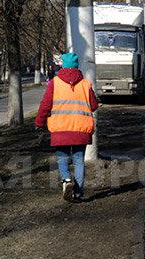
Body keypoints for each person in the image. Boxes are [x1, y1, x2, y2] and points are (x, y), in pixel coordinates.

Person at [35, 51, 98, 203]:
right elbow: (94, 105)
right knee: (78, 160)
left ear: (63, 66)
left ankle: (66, 180)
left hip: (61, 128)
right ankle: (78, 193)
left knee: (62, 157)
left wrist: (39, 122)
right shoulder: (85, 83)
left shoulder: (55, 83)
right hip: (81, 130)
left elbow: (45, 105)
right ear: (77, 67)